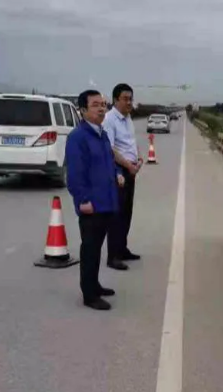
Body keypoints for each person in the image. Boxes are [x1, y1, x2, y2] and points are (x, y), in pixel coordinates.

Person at [66, 89, 125, 311]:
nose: (101, 108)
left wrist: (118, 173)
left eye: (103, 104)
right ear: (83, 110)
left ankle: (95, 284)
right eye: (95, 105)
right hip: (91, 205)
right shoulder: (78, 137)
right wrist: (83, 200)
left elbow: (109, 161)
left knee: (97, 247)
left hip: (107, 201)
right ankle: (89, 294)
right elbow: (74, 175)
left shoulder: (102, 134)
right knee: (90, 249)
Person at [103, 83, 143, 271]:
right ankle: (113, 256)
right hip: (118, 172)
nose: (129, 102)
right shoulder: (110, 120)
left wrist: (139, 158)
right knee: (116, 215)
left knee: (127, 212)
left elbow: (131, 143)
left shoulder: (128, 118)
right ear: (115, 100)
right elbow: (110, 149)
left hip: (130, 170)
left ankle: (122, 248)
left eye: (130, 99)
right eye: (125, 99)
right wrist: (128, 165)